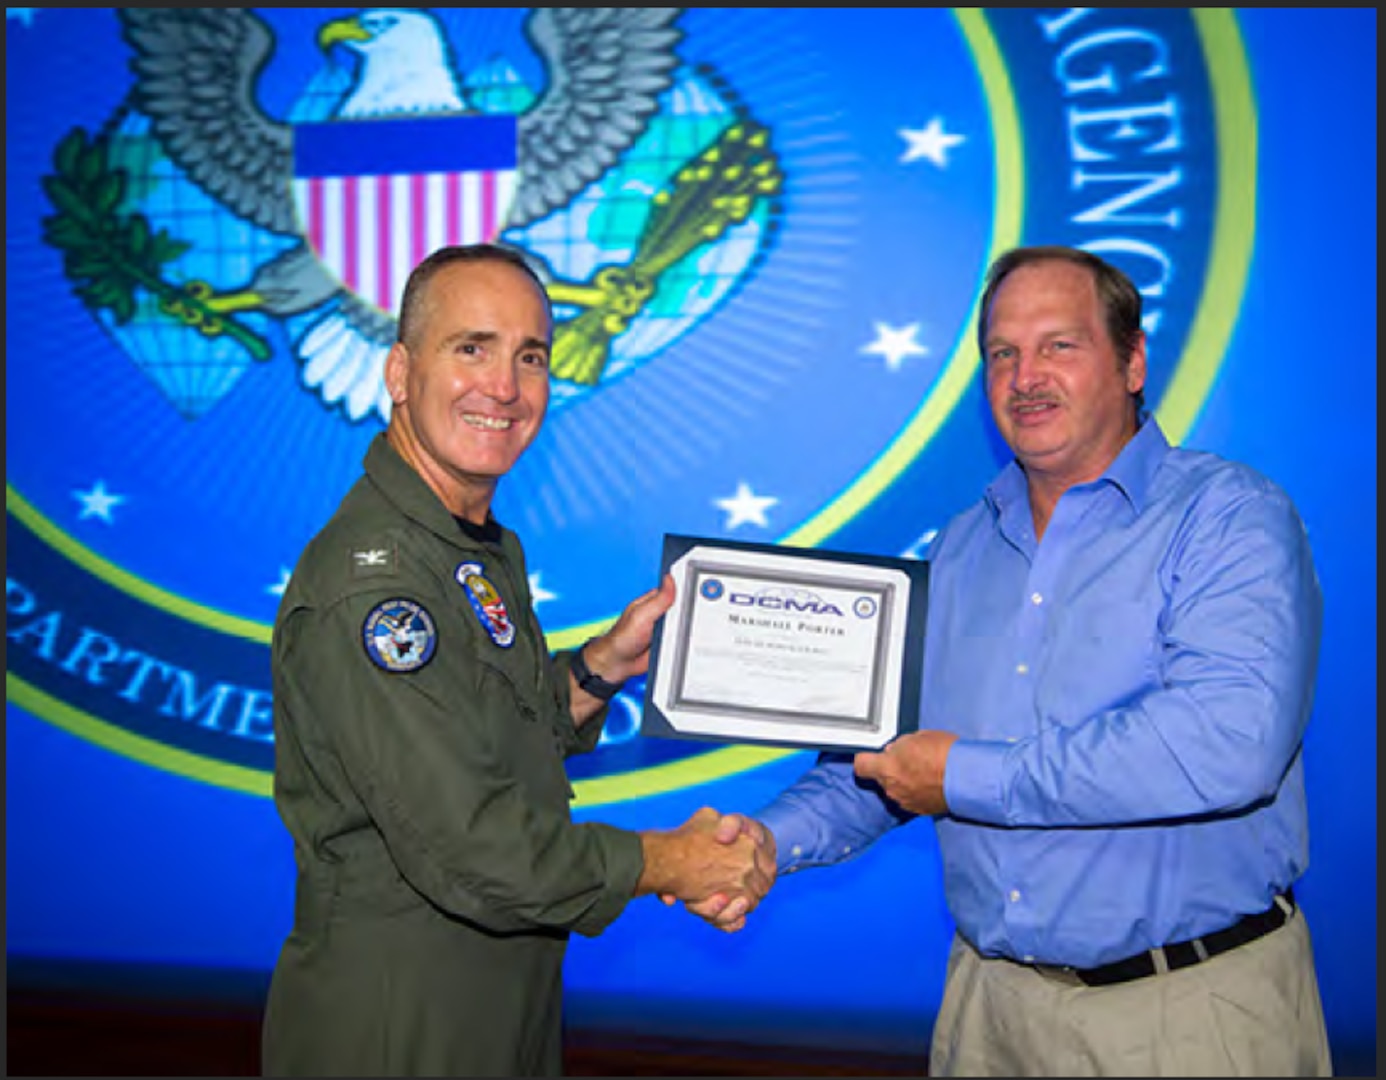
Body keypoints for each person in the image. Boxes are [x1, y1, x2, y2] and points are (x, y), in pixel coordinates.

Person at [687, 245, 1332, 1076]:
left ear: (1133, 363)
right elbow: (885, 760)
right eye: (1003, 353)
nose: (1026, 376)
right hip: (989, 1015)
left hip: (1190, 1012)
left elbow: (1223, 744)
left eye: (1060, 345)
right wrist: (765, 843)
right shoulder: (957, 550)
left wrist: (961, 776)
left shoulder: (1229, 519)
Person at [261, 242, 773, 1078]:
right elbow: (475, 849)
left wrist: (598, 670)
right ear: (399, 371)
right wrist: (669, 860)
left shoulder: (474, 547)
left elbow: (488, 732)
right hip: (400, 1026)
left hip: (499, 1004)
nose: (504, 387)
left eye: (529, 356)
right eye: (472, 348)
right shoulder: (378, 589)